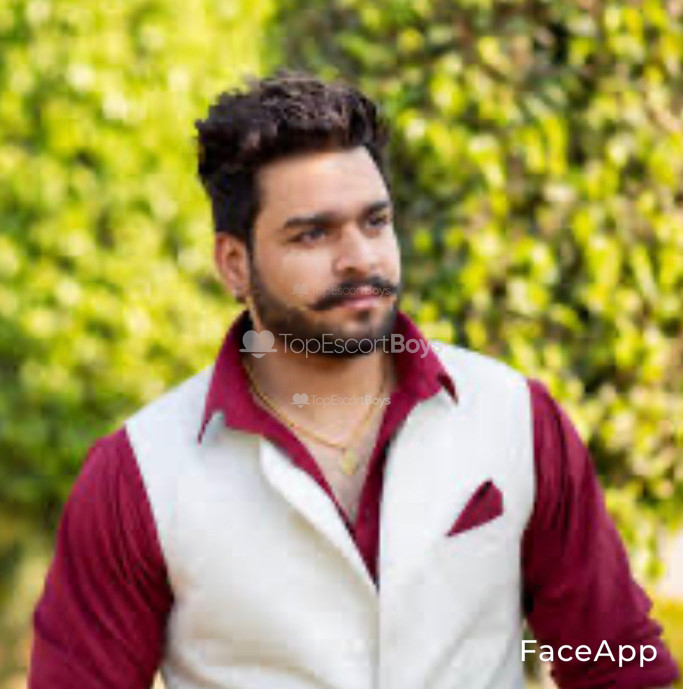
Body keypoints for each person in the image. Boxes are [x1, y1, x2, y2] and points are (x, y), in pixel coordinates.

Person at [28, 68, 679, 689]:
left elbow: (611, 656)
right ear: (234, 264)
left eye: (375, 222)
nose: (360, 258)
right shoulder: (140, 474)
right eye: (312, 235)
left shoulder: (513, 418)